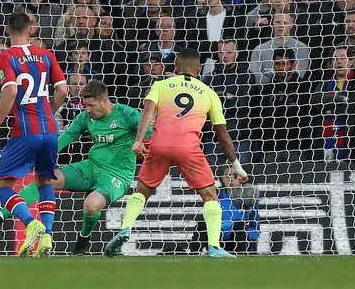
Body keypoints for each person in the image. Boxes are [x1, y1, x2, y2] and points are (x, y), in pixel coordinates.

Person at [0, 81, 152, 255]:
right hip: (90, 167)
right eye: (86, 105)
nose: (88, 109)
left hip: (117, 175)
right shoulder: (86, 117)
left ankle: (84, 237)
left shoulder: (127, 115)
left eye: (91, 105)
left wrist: (147, 145)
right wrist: (40, 157)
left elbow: (152, 132)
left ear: (104, 101)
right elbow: (66, 137)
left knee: (90, 206)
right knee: (45, 178)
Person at [104, 48, 248, 258]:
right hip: (188, 147)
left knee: (142, 190)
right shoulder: (209, 92)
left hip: (159, 144)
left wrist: (138, 141)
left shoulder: (160, 85)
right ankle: (214, 247)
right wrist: (236, 166)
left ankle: (125, 228)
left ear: (175, 67)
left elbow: (146, 113)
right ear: (199, 69)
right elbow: (222, 134)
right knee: (210, 196)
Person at [0, 12, 68, 257]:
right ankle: (48, 238)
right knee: (44, 180)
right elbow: (63, 90)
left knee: (1, 185)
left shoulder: (5, 57)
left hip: (25, 129)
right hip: (50, 129)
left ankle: (32, 224)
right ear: (31, 30)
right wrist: (48, 113)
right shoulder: (46, 54)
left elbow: (10, 91)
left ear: (7, 31)